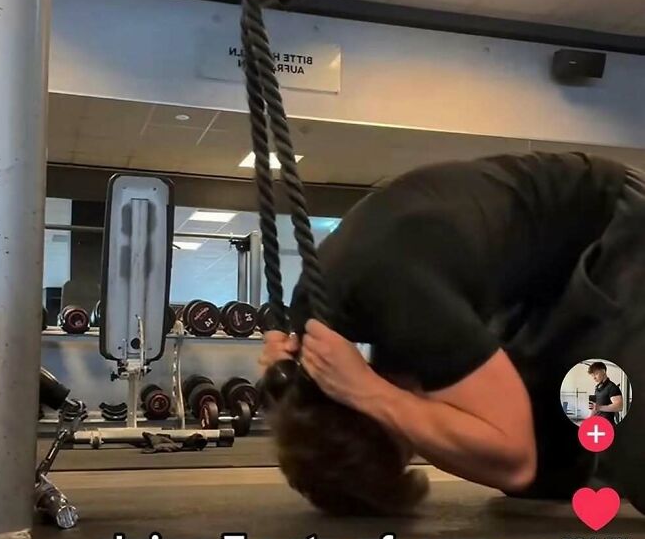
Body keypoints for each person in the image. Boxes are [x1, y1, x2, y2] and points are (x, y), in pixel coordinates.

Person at [259, 151, 645, 516]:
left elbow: (515, 461)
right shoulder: (314, 321)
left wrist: (373, 393)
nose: (418, 446)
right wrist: (285, 388)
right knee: (547, 474)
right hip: (532, 286)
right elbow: (309, 399)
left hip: (615, 221)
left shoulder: (407, 305)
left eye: (406, 445)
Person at [588, 361, 623, 427]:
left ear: (603, 371)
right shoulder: (597, 388)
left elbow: (619, 407)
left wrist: (599, 407)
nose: (594, 378)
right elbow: (594, 408)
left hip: (607, 425)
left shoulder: (612, 387)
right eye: (592, 375)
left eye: (596, 374)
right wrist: (588, 420)